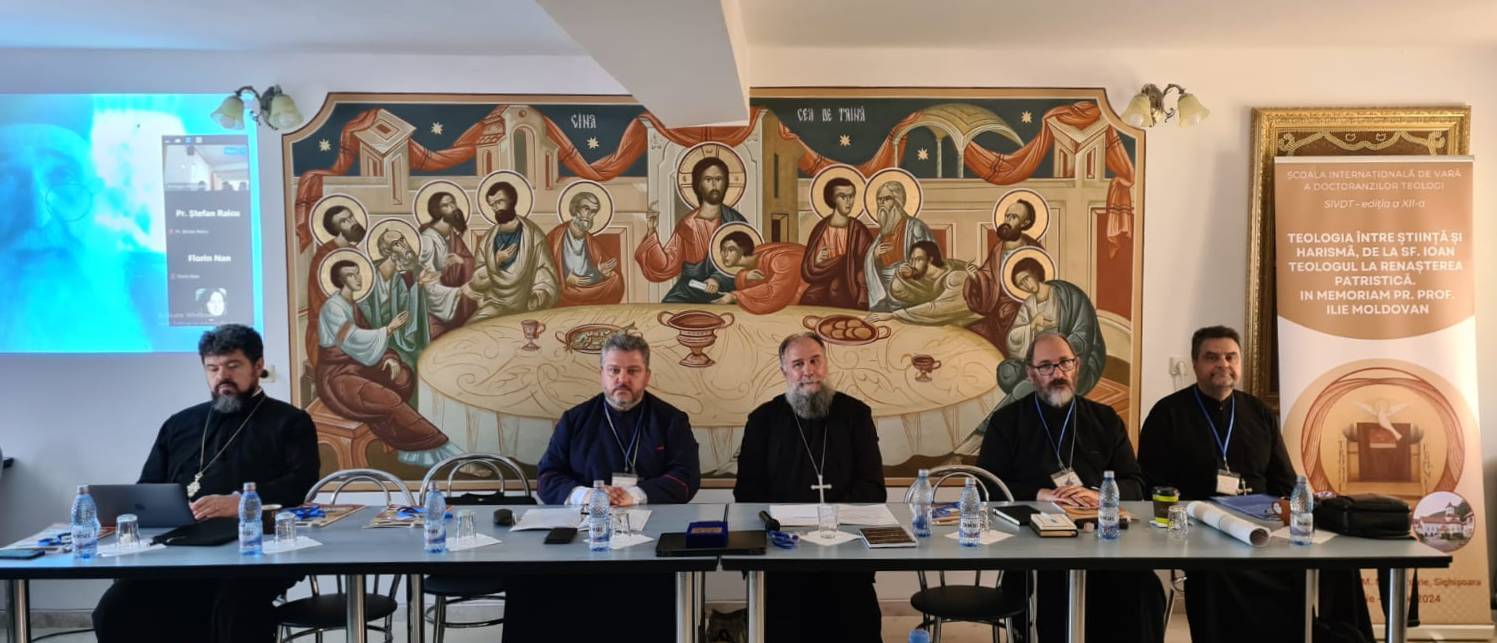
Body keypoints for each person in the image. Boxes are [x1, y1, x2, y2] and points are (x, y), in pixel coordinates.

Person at [1137, 325, 1370, 643]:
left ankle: (1334, 637)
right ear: (1195, 364)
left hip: (1264, 526)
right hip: (1204, 532)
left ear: (1240, 362)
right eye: (1212, 357)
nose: (1223, 364)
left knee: (1338, 561)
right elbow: (1153, 486)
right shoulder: (1168, 413)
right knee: (1224, 573)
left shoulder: (1258, 412)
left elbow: (1285, 481)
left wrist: (1295, 506)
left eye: (1230, 357)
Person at [92, 325, 319, 643]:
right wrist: (152, 508)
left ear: (257, 366)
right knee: (116, 608)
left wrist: (240, 503)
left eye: (233, 366)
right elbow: (149, 484)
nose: (222, 376)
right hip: (180, 548)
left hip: (257, 548)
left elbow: (301, 483)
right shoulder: (179, 424)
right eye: (213, 368)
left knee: (233, 610)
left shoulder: (290, 421)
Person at [505, 333, 701, 642]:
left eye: (632, 371)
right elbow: (548, 476)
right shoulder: (575, 419)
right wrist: (588, 496)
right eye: (614, 370)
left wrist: (633, 495)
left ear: (647, 376)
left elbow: (686, 477)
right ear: (602, 375)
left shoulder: (671, 420)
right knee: (532, 582)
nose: (622, 379)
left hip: (649, 539)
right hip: (582, 539)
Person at [976, 332, 1165, 643]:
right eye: (1046, 366)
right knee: (1055, 590)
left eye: (1065, 363)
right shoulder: (1007, 421)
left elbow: (1136, 482)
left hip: (1103, 540)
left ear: (1076, 366)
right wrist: (1039, 493)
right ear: (1031, 373)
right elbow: (986, 484)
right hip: (1035, 542)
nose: (1058, 373)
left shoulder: (1105, 419)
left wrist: (1100, 494)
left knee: (1145, 588)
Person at [735, 332, 886, 643]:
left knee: (858, 622)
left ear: (826, 363)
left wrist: (830, 519)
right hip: (786, 551)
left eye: (815, 360)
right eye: (798, 364)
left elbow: (873, 487)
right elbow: (747, 492)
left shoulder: (856, 414)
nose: (809, 371)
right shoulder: (763, 420)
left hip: (845, 548)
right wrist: (780, 528)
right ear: (785, 371)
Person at [315, 259, 460, 467]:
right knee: (388, 399)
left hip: (358, 366)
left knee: (403, 377)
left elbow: (367, 340)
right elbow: (352, 339)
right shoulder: (332, 307)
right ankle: (434, 448)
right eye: (350, 275)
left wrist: (389, 358)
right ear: (340, 281)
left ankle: (407, 448)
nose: (357, 278)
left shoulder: (353, 306)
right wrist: (389, 329)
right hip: (337, 376)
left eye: (357, 272)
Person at [635, 156, 748, 303]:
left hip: (723, 290)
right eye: (708, 179)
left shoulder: (735, 222)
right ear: (698, 185)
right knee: (667, 309)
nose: (714, 184)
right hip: (689, 289)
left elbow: (745, 262)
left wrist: (717, 279)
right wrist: (651, 231)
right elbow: (668, 263)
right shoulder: (687, 224)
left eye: (719, 179)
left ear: (725, 183)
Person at [465, 181, 559, 320]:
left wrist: (540, 293)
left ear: (512, 200)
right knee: (474, 325)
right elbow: (477, 282)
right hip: (494, 303)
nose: (496, 208)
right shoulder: (487, 240)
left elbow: (543, 270)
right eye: (492, 204)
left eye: (499, 202)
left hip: (526, 304)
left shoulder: (533, 235)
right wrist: (496, 261)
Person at [964, 199, 1044, 351]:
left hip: (1021, 304)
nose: (1007, 220)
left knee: (1009, 322)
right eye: (1007, 216)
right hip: (997, 304)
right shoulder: (998, 248)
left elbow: (1040, 282)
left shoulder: (1032, 248)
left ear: (1025, 223)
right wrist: (976, 277)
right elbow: (987, 275)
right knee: (972, 334)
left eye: (1014, 217)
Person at [867, 240, 981, 327]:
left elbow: (935, 308)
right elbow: (900, 294)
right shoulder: (921, 277)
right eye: (911, 259)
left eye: (918, 259)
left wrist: (894, 315)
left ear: (930, 259)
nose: (913, 264)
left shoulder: (956, 277)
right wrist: (902, 277)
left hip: (973, 324)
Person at [799, 176, 873, 309]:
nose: (848, 201)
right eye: (842, 196)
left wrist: (844, 262)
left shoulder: (858, 229)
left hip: (849, 283)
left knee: (836, 289)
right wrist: (817, 260)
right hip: (823, 280)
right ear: (832, 199)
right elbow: (809, 268)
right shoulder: (821, 228)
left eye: (851, 196)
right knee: (810, 297)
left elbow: (868, 260)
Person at [863, 180, 933, 311]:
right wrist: (875, 256)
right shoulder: (883, 232)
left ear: (898, 201)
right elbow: (871, 265)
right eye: (879, 199)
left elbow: (928, 259)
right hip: (884, 290)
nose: (881, 203)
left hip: (909, 286)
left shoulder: (915, 227)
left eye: (887, 198)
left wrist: (911, 271)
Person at [546, 190, 624, 306]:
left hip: (587, 286)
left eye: (593, 211)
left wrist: (600, 271)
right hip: (565, 287)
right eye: (586, 209)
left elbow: (595, 272)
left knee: (615, 280)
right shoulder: (556, 236)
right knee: (556, 292)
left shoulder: (591, 241)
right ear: (575, 209)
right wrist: (565, 278)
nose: (589, 215)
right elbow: (544, 266)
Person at [416, 191, 476, 335]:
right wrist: (459, 291)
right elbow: (428, 284)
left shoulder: (452, 236)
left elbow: (470, 262)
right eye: (445, 205)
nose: (452, 208)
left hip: (454, 300)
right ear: (437, 211)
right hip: (437, 308)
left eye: (452, 203)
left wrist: (462, 262)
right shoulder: (427, 239)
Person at [712, 230, 807, 314]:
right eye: (723, 250)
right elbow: (762, 280)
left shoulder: (780, 260)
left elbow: (776, 292)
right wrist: (745, 277)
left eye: (731, 250)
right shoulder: (757, 257)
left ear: (742, 249)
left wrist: (735, 296)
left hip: (807, 295)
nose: (725, 254)